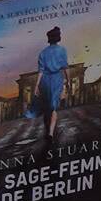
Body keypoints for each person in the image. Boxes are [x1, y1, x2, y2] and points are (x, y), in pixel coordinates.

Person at [33, 25, 69, 155]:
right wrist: (68, 80)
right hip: (56, 79)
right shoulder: (62, 50)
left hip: (45, 81)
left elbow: (40, 71)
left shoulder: (43, 53)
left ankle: (47, 129)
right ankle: (50, 133)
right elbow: (65, 67)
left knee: (47, 108)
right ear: (58, 38)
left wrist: (37, 85)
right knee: (54, 108)